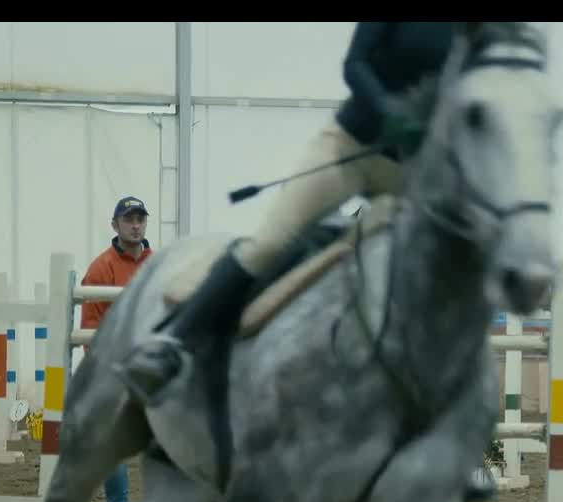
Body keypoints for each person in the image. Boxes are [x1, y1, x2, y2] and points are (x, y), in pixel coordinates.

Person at [112, 22, 460, 405]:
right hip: (349, 149)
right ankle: (171, 346)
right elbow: (355, 64)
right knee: (270, 242)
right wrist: (388, 111)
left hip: (409, 168)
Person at [81, 195, 154, 502]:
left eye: (140, 219)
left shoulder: (157, 263)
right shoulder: (100, 268)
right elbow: (89, 326)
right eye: (129, 220)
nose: (136, 225)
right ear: (115, 225)